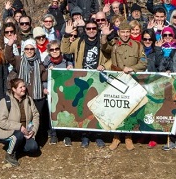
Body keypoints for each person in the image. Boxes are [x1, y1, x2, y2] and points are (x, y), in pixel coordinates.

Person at [61, 19, 110, 147]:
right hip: (82, 80)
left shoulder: (102, 43)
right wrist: (66, 35)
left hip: (97, 80)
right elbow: (65, 50)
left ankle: (98, 135)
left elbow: (111, 56)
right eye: (88, 28)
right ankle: (85, 136)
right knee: (82, 108)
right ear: (85, 30)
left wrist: (104, 66)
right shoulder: (79, 42)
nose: (91, 30)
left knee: (97, 108)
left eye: (94, 28)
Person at [103, 23, 146, 151]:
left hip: (131, 81)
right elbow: (104, 46)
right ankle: (116, 137)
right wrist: (104, 35)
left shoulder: (138, 46)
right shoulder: (114, 45)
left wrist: (132, 68)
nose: (126, 34)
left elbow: (144, 62)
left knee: (130, 109)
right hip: (116, 82)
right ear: (118, 33)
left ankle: (128, 136)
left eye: (128, 31)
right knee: (117, 108)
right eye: (123, 32)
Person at [5, 39, 49, 143]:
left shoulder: (40, 63)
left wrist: (45, 87)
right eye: (27, 49)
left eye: (31, 49)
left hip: (37, 96)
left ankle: (35, 138)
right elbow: (8, 56)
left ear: (35, 49)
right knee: (24, 117)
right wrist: (10, 44)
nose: (29, 51)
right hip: (23, 96)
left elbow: (44, 78)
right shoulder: (19, 60)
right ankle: (23, 138)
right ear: (24, 50)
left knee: (36, 118)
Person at [0, 78, 40, 167]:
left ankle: (17, 146)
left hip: (25, 132)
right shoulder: (5, 102)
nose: (24, 89)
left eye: (24, 86)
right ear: (14, 89)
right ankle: (9, 154)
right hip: (7, 132)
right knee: (18, 134)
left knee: (33, 148)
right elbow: (1, 122)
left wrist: (33, 130)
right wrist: (19, 127)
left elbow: (36, 115)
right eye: (20, 87)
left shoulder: (29, 100)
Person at [43, 40, 74, 145]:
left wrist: (70, 68)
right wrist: (45, 88)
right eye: (52, 49)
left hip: (65, 93)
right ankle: (53, 134)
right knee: (52, 113)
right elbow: (43, 78)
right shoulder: (46, 63)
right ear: (49, 51)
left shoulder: (67, 61)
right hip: (52, 93)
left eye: (57, 49)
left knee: (66, 113)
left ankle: (67, 135)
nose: (55, 51)